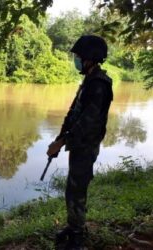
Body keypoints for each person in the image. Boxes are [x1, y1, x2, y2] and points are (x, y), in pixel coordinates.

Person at [47, 35, 113, 250]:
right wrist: (61, 135)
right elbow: (74, 111)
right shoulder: (89, 80)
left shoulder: (99, 85)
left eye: (78, 56)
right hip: (78, 143)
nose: (76, 59)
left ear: (90, 58)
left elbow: (88, 121)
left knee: (77, 189)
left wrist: (62, 142)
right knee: (72, 188)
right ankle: (73, 226)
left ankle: (77, 236)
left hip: (85, 145)